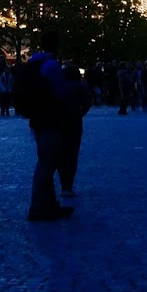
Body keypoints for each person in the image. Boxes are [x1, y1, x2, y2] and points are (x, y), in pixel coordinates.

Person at [23, 39, 74, 221]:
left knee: (46, 161)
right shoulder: (51, 66)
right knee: (47, 164)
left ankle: (49, 205)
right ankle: (38, 207)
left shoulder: (33, 63)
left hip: (37, 119)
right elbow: (60, 93)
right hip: (51, 118)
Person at [58, 62, 91, 197]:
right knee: (72, 154)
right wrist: (80, 113)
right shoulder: (81, 86)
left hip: (59, 121)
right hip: (75, 122)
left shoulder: (60, 85)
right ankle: (68, 185)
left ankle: (63, 184)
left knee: (61, 154)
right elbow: (87, 103)